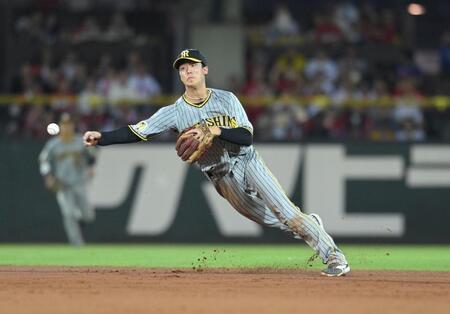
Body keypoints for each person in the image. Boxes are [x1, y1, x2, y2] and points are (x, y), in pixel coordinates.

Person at [83, 49, 350, 276]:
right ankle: (310, 224)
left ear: (205, 70)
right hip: (221, 177)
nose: (188, 71)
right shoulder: (175, 112)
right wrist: (102, 137)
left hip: (247, 161)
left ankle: (334, 257)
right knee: (272, 219)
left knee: (286, 211)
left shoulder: (226, 99)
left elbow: (247, 137)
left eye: (193, 66)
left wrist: (216, 131)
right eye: (183, 68)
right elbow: (138, 131)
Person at [39, 113, 96, 246]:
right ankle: (77, 245)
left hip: (79, 182)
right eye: (64, 125)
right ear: (60, 127)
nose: (66, 127)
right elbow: (43, 161)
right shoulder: (53, 144)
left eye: (69, 125)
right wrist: (48, 176)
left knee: (88, 216)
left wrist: (91, 167)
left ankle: (78, 216)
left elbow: (92, 156)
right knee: (68, 214)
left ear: (72, 126)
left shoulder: (80, 141)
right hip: (62, 184)